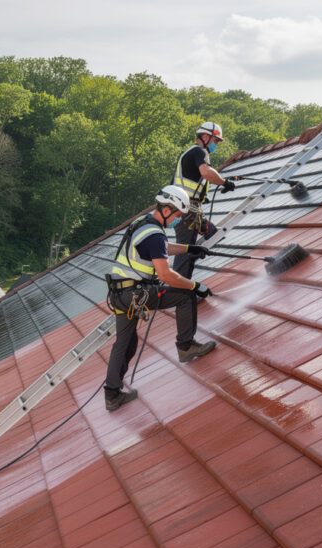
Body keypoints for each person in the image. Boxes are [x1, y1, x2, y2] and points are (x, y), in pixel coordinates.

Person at [102, 186, 216, 411]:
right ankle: (185, 346)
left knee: (125, 343)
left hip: (119, 294)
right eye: (176, 215)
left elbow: (161, 248)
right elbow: (165, 275)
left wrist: (188, 248)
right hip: (135, 294)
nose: (177, 220)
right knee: (185, 295)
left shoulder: (145, 223)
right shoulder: (153, 233)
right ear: (166, 210)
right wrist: (196, 286)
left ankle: (112, 395)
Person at [171, 121, 238, 279]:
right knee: (186, 249)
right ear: (206, 136)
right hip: (186, 210)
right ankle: (182, 291)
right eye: (215, 141)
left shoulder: (192, 153)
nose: (216, 145)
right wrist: (224, 182)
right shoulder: (200, 152)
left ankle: (183, 280)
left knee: (213, 233)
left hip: (189, 209)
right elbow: (206, 172)